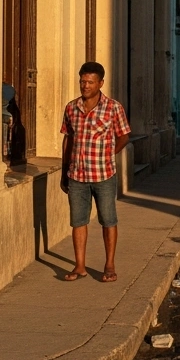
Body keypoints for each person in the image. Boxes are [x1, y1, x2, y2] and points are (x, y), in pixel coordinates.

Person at [60, 61, 131, 283]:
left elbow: (124, 135)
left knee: (108, 220)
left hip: (104, 175)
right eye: (82, 81)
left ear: (100, 83)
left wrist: (110, 153)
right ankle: (79, 266)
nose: (85, 86)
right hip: (77, 175)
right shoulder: (72, 108)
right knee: (78, 221)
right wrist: (65, 171)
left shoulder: (113, 108)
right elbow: (68, 138)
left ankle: (109, 265)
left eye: (90, 82)